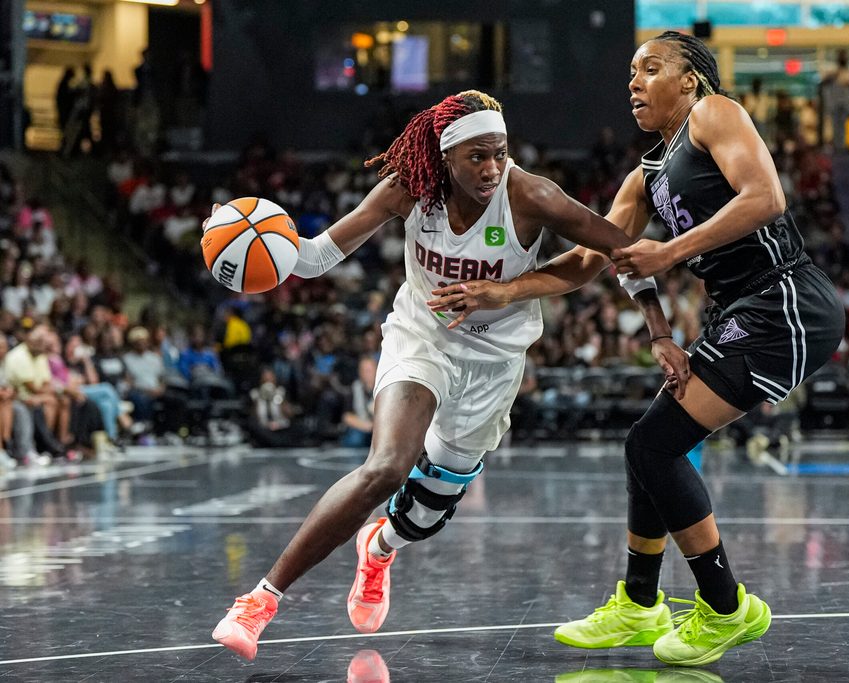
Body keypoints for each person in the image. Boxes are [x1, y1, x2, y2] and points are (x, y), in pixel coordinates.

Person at [429, 32, 845, 667]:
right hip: (739, 312)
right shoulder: (645, 177)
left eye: (651, 69)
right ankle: (641, 602)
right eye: (630, 72)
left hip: (785, 300)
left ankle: (725, 607)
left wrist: (673, 251)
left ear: (689, 82)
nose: (634, 82)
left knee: (654, 446)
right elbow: (597, 261)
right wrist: (506, 291)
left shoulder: (715, 113)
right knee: (646, 446)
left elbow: (766, 198)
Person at [209, 90, 656, 661]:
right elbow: (320, 256)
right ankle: (258, 601)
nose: (491, 168)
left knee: (427, 511)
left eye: (499, 153)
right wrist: (262, 243)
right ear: (444, 156)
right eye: (476, 157)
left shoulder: (532, 195)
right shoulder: (407, 189)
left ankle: (381, 546)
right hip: (423, 337)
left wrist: (659, 330)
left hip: (496, 361)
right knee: (386, 467)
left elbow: (625, 252)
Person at [821, 50, 849, 153]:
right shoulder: (833, 72)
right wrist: (833, 76)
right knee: (835, 126)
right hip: (835, 103)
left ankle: (843, 147)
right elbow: (823, 83)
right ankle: (837, 147)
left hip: (845, 104)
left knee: (845, 126)